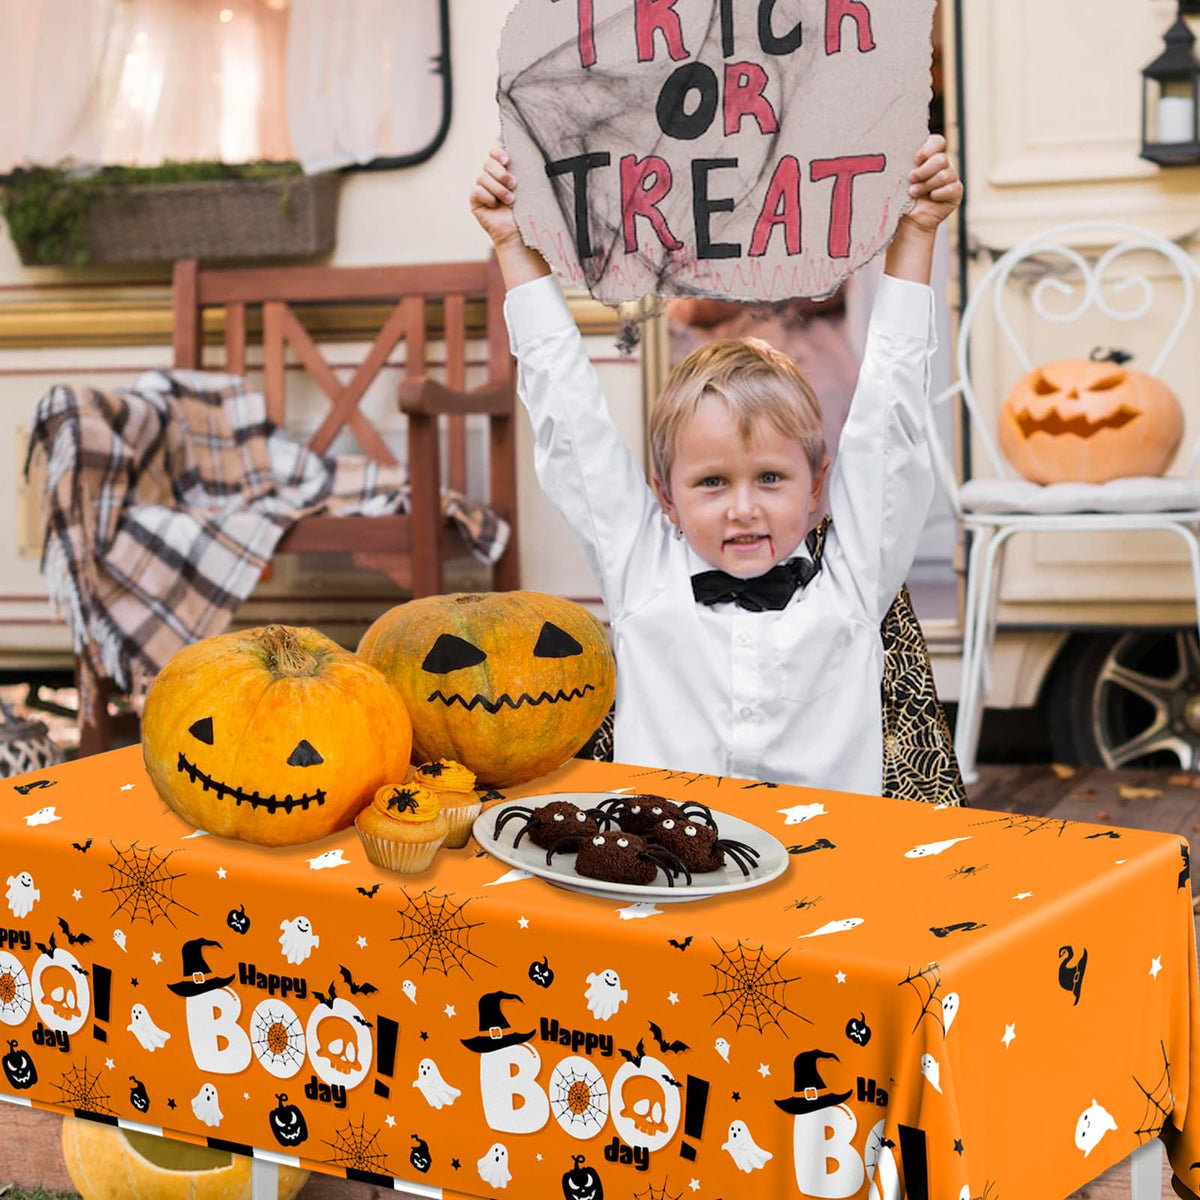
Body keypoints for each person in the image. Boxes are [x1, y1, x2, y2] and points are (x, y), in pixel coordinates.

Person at [470, 135, 963, 797]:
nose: (743, 508)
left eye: (770, 478)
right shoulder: (642, 573)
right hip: (668, 857)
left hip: (832, 860)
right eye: (711, 483)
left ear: (816, 485)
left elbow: (889, 416)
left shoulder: (854, 580)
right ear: (665, 498)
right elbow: (571, 420)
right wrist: (512, 244)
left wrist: (917, 233)